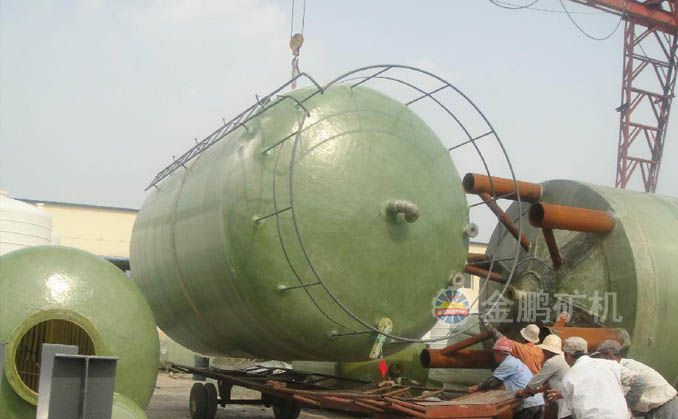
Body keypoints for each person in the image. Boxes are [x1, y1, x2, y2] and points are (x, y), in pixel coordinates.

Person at [546, 336, 645, 419]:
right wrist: (624, 404)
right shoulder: (610, 364)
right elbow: (639, 381)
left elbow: (574, 412)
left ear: (567, 355)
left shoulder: (569, 377)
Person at [593, 340, 677, 419]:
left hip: (665, 406)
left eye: (600, 357)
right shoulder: (624, 366)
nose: (600, 361)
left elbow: (639, 384)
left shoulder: (623, 368)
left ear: (609, 355)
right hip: (660, 406)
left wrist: (623, 408)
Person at [468, 336, 544, 419]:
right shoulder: (516, 362)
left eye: (494, 352)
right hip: (539, 402)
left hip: (528, 404)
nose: (494, 355)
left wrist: (477, 387)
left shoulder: (508, 363)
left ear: (499, 352)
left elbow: (493, 381)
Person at [516, 334, 570, 419]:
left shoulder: (552, 362)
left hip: (563, 405)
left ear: (548, 350)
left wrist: (523, 392)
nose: (542, 352)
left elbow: (535, 382)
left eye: (544, 350)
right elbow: (550, 384)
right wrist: (535, 392)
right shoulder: (563, 358)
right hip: (568, 402)